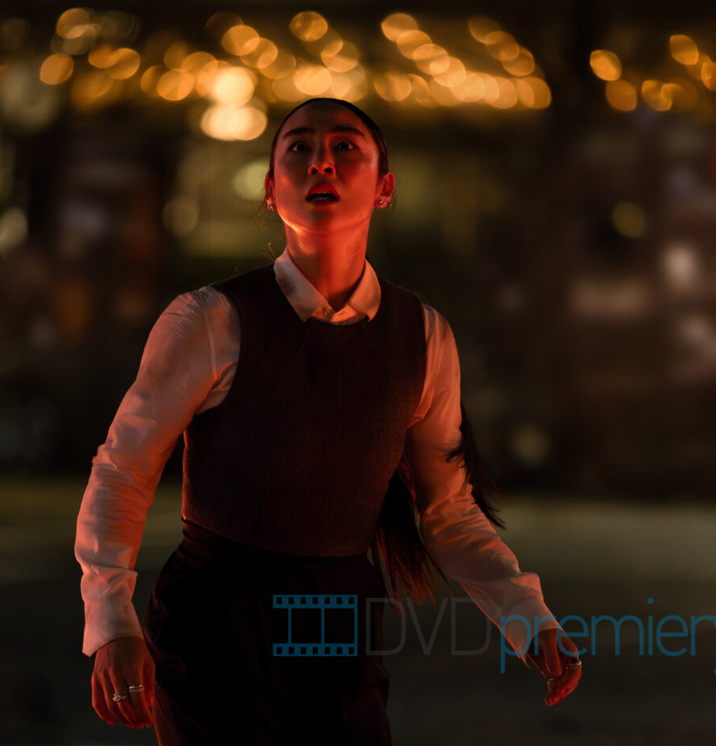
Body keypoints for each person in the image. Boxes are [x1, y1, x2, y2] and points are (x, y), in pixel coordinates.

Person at [75, 97, 581, 744]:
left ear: (384, 188)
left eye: (345, 147)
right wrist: (111, 621)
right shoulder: (211, 320)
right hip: (215, 622)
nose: (321, 163)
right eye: (299, 148)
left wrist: (526, 614)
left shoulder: (422, 336)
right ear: (270, 188)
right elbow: (123, 469)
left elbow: (449, 509)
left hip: (340, 622)